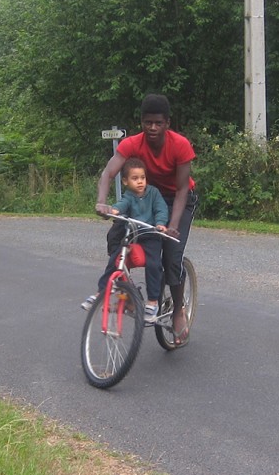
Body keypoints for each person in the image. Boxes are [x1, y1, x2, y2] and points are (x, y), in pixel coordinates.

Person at [94, 94, 198, 345]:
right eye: (147, 122)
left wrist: (172, 225)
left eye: (158, 123)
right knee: (116, 236)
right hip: (145, 197)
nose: (152, 127)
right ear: (141, 122)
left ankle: (178, 310)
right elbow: (109, 173)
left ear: (167, 124)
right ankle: (126, 291)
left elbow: (182, 189)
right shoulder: (131, 144)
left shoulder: (180, 145)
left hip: (177, 199)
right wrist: (101, 201)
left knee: (171, 256)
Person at [81, 157, 169, 324]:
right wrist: (113, 211)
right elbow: (121, 205)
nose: (140, 182)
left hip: (151, 234)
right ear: (125, 181)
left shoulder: (153, 193)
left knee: (153, 264)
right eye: (135, 179)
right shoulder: (129, 196)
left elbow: (161, 210)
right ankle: (101, 291)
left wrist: (160, 224)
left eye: (142, 178)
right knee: (116, 258)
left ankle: (152, 302)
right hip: (133, 234)